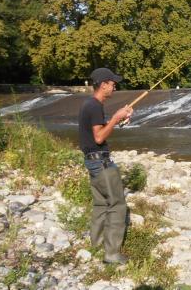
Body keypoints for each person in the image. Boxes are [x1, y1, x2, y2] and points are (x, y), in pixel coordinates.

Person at [78, 68, 133, 264]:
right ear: (103, 85)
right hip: (101, 163)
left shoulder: (90, 104)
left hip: (92, 161)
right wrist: (117, 117)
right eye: (112, 83)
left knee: (101, 203)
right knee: (117, 206)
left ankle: (96, 244)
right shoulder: (94, 106)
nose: (114, 86)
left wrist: (118, 120)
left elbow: (99, 131)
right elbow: (99, 137)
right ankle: (111, 254)